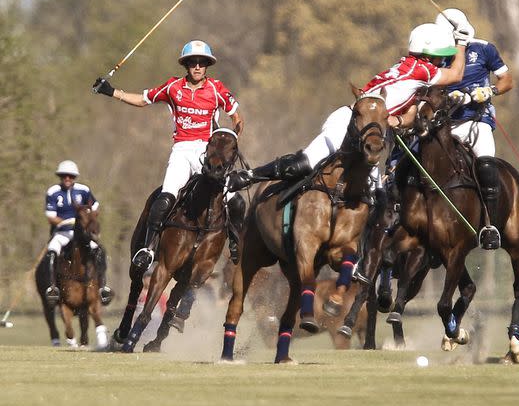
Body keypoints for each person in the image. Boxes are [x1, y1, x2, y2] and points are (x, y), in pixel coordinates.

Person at [225, 22, 468, 288]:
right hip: (351, 122)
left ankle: (359, 260)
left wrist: (395, 123)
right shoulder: (422, 69)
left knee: (377, 197)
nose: (440, 59)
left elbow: (406, 112)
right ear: (427, 54)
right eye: (438, 55)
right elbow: (456, 74)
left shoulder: (410, 68)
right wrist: (462, 41)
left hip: (372, 129)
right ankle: (249, 176)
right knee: (305, 162)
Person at [92, 40, 245, 271]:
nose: (197, 67)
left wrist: (231, 140)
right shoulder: (173, 87)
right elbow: (143, 100)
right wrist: (112, 92)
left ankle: (235, 242)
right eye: (192, 62)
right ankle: (148, 248)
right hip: (182, 150)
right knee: (166, 198)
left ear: (207, 66)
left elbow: (237, 118)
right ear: (186, 65)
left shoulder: (217, 89)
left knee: (236, 201)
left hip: (208, 152)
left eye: (202, 63)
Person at [435, 8, 516, 250]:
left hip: (477, 120)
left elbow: (507, 80)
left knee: (486, 163)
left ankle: (490, 225)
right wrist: (448, 97)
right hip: (447, 122)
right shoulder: (438, 54)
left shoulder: (484, 49)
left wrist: (489, 91)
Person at [43, 160, 112, 304]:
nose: (67, 179)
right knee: (51, 252)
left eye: (71, 176)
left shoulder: (84, 190)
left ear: (75, 177)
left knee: (99, 251)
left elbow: (95, 208)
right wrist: (64, 221)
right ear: (60, 177)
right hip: (63, 233)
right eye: (64, 176)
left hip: (82, 234)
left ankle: (103, 287)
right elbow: (50, 216)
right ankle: (53, 287)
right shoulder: (53, 192)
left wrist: (87, 219)